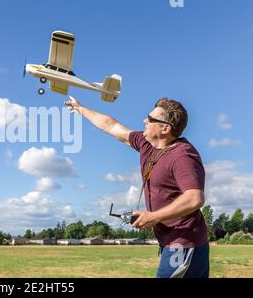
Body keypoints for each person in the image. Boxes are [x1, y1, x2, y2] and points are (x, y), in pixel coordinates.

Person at [65, 96, 209, 278]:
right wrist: (81, 109)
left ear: (165, 128)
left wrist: (154, 216)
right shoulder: (146, 144)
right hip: (171, 241)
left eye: (150, 119)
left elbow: (194, 198)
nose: (144, 121)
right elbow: (111, 126)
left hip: (184, 243)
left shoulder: (182, 156)